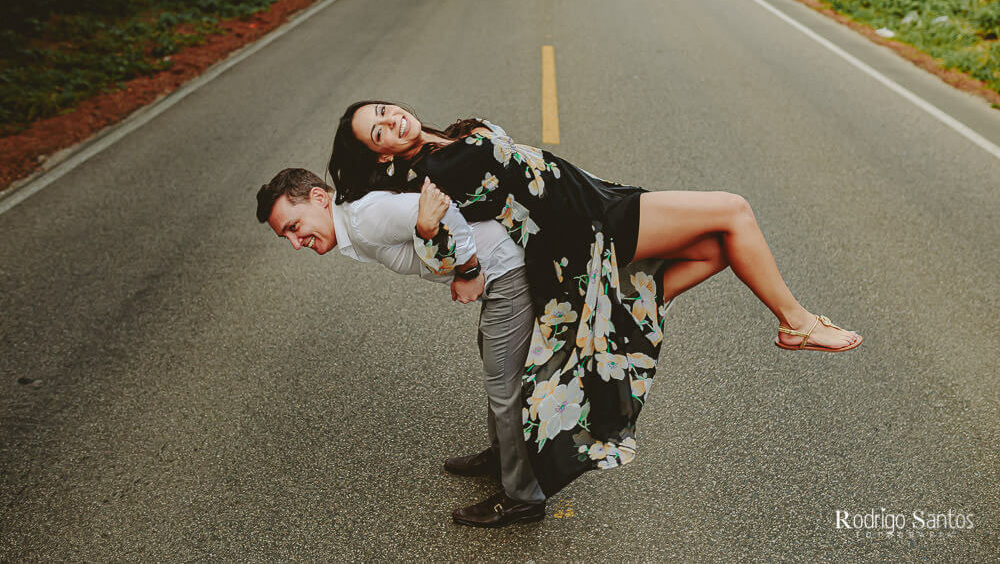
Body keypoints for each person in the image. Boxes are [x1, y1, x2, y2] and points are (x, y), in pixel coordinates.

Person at [328, 100, 863, 496]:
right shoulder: (429, 175)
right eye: (380, 131)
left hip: (598, 196)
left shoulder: (443, 141)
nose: (393, 121)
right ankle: (796, 323)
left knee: (721, 249)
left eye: (384, 110)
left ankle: (631, 302)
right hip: (587, 226)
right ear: (380, 153)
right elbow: (448, 246)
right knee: (733, 212)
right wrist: (448, 255)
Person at [256, 167, 547, 527]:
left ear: (318, 198)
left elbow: (444, 209)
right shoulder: (355, 220)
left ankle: (523, 497)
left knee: (504, 386)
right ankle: (504, 456)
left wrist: (469, 272)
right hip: (498, 271)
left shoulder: (364, 217)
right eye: (287, 237)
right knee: (494, 365)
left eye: (293, 227)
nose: (295, 243)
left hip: (505, 271)